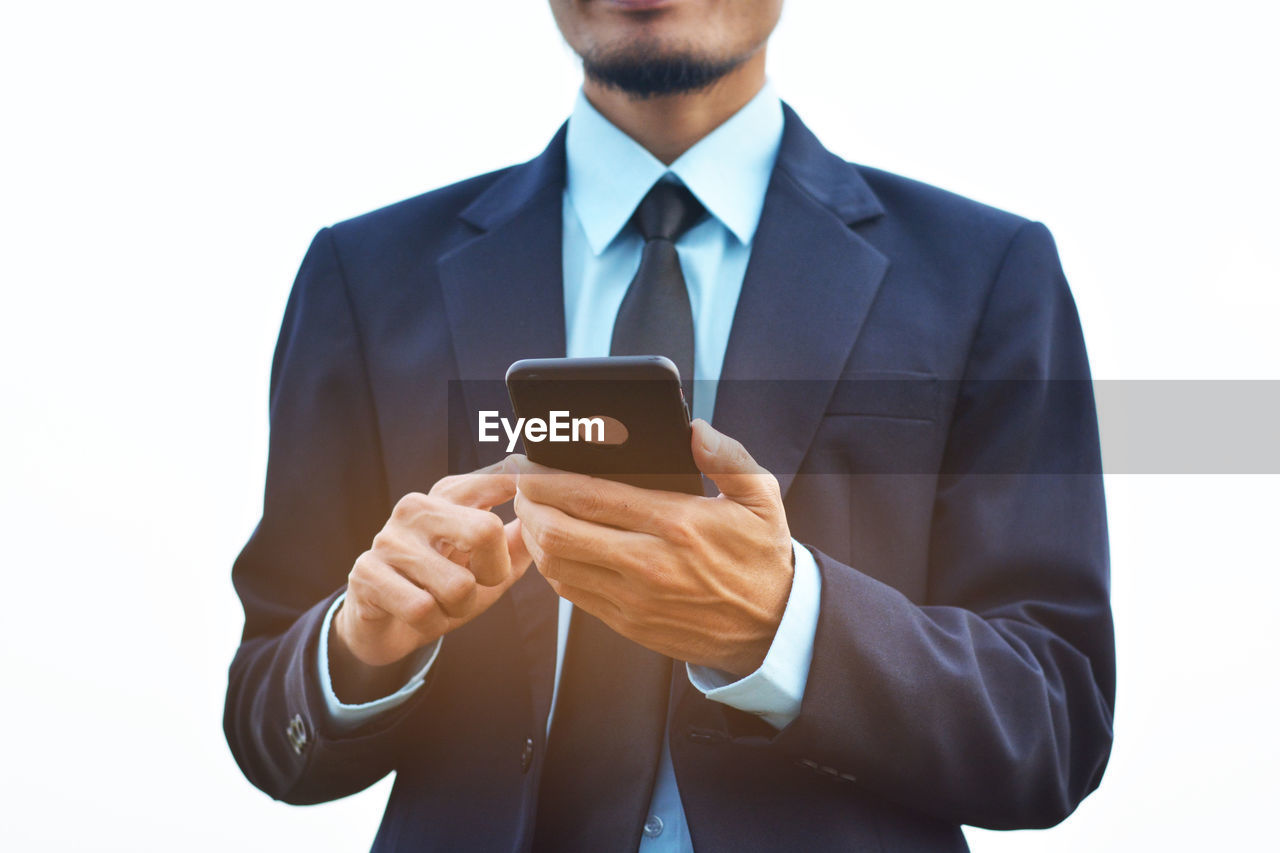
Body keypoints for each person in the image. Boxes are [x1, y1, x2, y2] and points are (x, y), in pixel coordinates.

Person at [224, 1, 1116, 850]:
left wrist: (784, 623)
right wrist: (359, 645)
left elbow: (1055, 720)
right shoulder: (365, 275)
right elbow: (269, 721)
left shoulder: (988, 274)